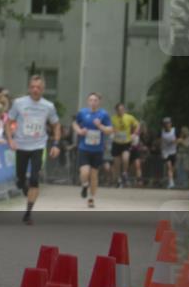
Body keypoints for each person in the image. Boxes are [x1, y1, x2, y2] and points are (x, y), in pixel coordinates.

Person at [6, 75, 61, 225]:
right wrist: (10, 139)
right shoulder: (19, 103)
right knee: (20, 179)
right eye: (33, 87)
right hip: (21, 145)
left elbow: (56, 125)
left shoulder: (48, 106)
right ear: (29, 88)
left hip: (39, 146)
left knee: (35, 179)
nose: (35, 90)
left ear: (43, 89)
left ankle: (28, 213)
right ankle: (22, 183)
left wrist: (56, 144)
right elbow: (9, 121)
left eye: (38, 87)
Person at [72, 92, 114, 207]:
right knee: (84, 172)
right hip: (84, 148)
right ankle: (85, 185)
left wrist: (100, 126)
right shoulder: (82, 113)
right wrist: (80, 131)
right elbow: (74, 124)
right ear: (88, 101)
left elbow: (110, 130)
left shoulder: (103, 114)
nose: (93, 102)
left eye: (95, 100)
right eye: (91, 100)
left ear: (99, 102)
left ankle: (91, 199)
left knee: (94, 175)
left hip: (97, 150)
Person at [110, 103, 140, 188]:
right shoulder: (113, 119)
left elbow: (137, 125)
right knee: (117, 163)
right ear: (116, 110)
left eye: (122, 109)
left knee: (125, 158)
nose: (121, 111)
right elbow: (109, 128)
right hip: (116, 143)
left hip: (126, 142)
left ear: (124, 110)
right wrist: (112, 132)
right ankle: (118, 180)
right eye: (119, 110)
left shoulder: (129, 117)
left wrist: (134, 134)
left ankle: (125, 173)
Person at [159, 117, 178, 188]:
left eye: (168, 123)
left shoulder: (175, 131)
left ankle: (168, 179)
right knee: (169, 167)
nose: (167, 125)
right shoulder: (161, 132)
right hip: (165, 152)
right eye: (165, 123)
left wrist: (176, 141)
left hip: (173, 152)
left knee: (172, 169)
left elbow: (181, 139)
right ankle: (171, 183)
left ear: (171, 123)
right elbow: (159, 141)